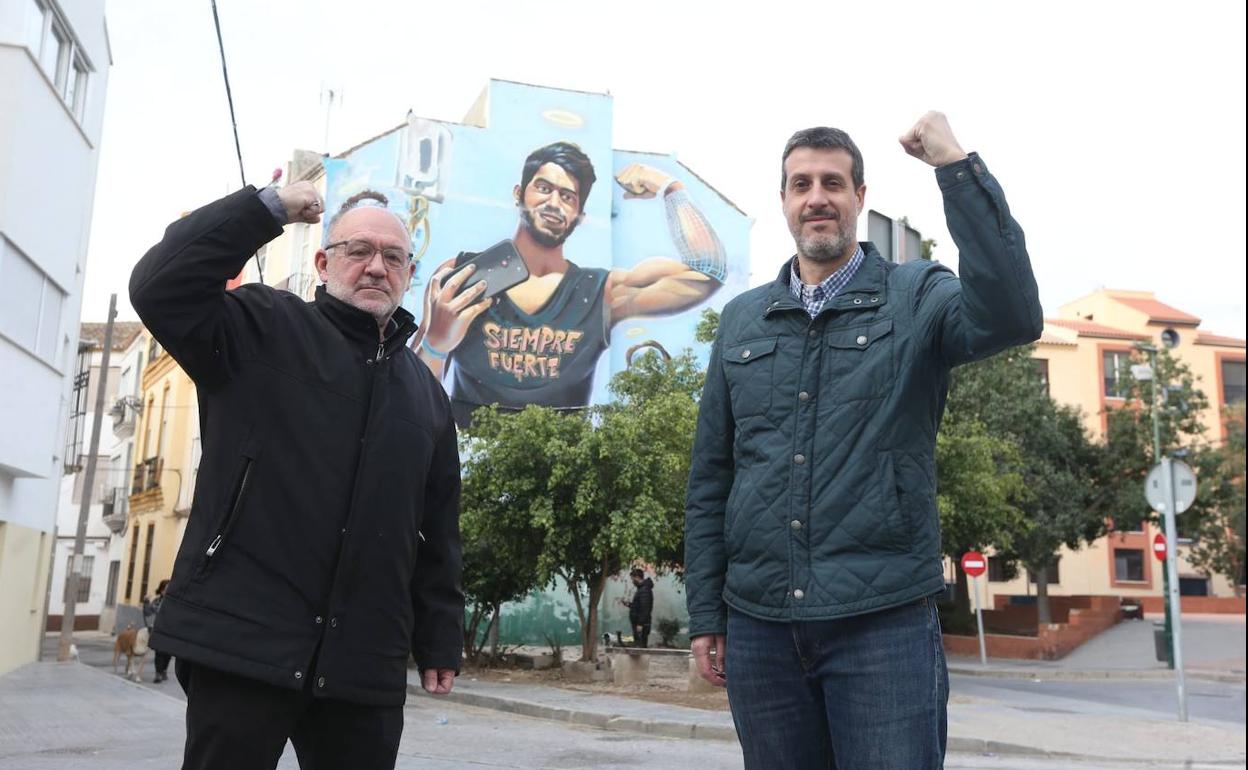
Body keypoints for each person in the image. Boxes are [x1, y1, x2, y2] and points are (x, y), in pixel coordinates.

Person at [683, 112, 1041, 769]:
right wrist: (707, 613)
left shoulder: (915, 296)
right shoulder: (741, 320)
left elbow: (1012, 318)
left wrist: (955, 169)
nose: (817, 196)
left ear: (859, 197)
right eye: (801, 184)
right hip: (761, 629)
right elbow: (712, 477)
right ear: (785, 201)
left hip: (882, 627)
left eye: (833, 182)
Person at [130, 182, 464, 770]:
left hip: (364, 662)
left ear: (409, 274)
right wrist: (264, 210)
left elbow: (436, 532)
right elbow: (160, 287)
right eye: (359, 250)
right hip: (241, 643)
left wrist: (439, 635)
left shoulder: (428, 399)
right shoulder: (259, 327)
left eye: (393, 258)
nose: (376, 268)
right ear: (322, 261)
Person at [415, 141, 728, 427]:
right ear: (518, 194)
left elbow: (707, 271)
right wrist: (436, 344)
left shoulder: (601, 293)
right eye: (543, 188)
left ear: (580, 214)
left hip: (566, 479)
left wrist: (670, 187)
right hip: (472, 477)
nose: (554, 203)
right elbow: (408, 393)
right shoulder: (465, 277)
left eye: (567, 196)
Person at [143, 579, 171, 683]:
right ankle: (158, 673)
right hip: (159, 630)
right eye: (164, 589)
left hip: (170, 631)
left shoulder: (174, 603)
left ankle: (163, 670)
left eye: (168, 588)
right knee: (159, 652)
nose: (166, 591)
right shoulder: (157, 601)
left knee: (167, 653)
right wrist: (146, 602)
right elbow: (147, 613)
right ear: (161, 590)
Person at [620, 568, 654, 648]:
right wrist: (628, 604)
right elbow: (638, 606)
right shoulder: (642, 589)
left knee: (640, 647)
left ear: (637, 577)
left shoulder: (644, 590)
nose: (632, 581)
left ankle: (642, 661)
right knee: (638, 646)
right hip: (639, 623)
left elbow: (645, 608)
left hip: (641, 624)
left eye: (632, 579)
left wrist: (640, 624)